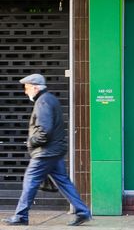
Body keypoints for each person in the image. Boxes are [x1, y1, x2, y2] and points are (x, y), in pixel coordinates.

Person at [1, 73, 91, 226]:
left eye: (27, 88)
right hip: (54, 151)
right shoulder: (50, 99)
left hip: (45, 152)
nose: (25, 91)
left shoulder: (42, 102)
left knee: (30, 181)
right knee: (63, 182)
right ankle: (83, 211)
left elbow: (44, 131)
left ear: (35, 88)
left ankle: (21, 216)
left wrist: (31, 141)